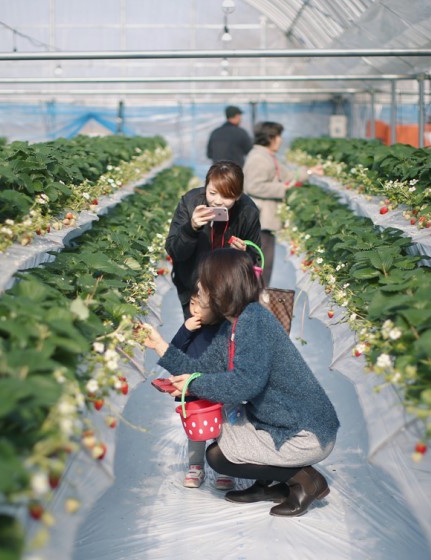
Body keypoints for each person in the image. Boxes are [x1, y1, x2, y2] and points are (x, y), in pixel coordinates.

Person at [143, 248, 339, 518]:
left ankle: (306, 480)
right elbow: (202, 369)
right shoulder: (232, 325)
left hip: (305, 433)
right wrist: (160, 346)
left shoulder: (254, 322)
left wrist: (194, 384)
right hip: (276, 421)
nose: (197, 288)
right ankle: (268, 484)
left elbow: (246, 384)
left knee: (219, 456)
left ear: (220, 288)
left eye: (203, 283)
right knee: (223, 432)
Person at [165, 161, 261, 318]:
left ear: (238, 195)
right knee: (196, 330)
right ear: (205, 187)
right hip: (194, 289)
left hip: (229, 290)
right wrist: (191, 228)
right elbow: (175, 251)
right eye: (212, 193)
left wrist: (242, 254)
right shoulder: (190, 202)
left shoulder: (248, 211)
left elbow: (255, 257)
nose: (217, 201)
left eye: (226, 195)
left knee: (226, 332)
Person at [168, 281, 232, 490]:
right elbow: (173, 351)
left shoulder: (224, 329)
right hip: (192, 387)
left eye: (200, 305)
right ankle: (196, 467)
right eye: (192, 303)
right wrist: (185, 330)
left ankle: (224, 468)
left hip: (216, 386)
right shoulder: (190, 327)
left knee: (222, 429)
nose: (194, 310)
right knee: (196, 430)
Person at [243, 121, 322, 285]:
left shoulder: (267, 156)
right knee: (261, 264)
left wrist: (309, 172)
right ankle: (256, 297)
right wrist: (283, 189)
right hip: (260, 220)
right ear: (270, 137)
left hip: (267, 219)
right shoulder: (258, 158)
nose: (280, 140)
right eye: (278, 136)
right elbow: (253, 186)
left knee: (264, 263)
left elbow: (288, 175)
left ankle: (259, 295)